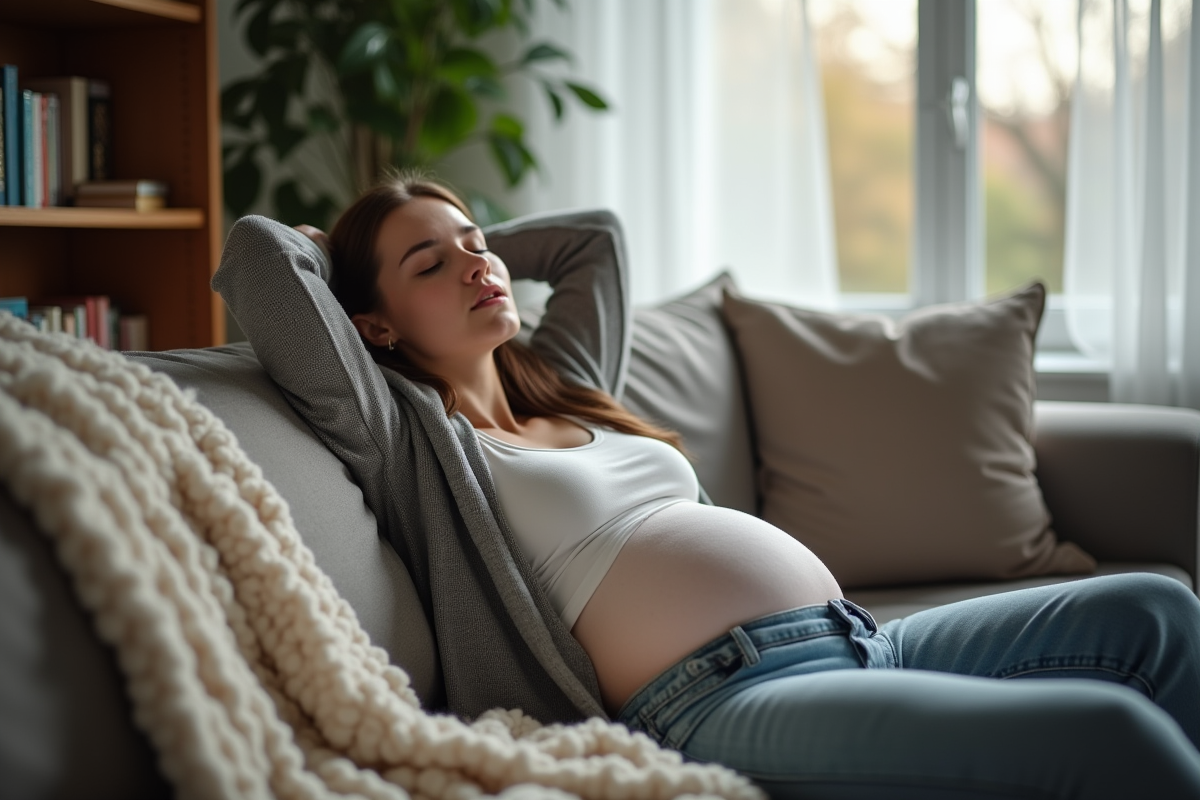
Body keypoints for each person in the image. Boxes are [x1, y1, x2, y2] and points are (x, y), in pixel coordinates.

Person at [215, 173, 1200, 800]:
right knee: (1105, 733)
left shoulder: (566, 385)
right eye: (432, 260)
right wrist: (333, 253)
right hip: (723, 698)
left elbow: (596, 237)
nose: (477, 261)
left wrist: (459, 252)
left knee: (1161, 611)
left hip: (863, 635)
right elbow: (258, 258)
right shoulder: (406, 437)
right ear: (373, 323)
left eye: (481, 241)